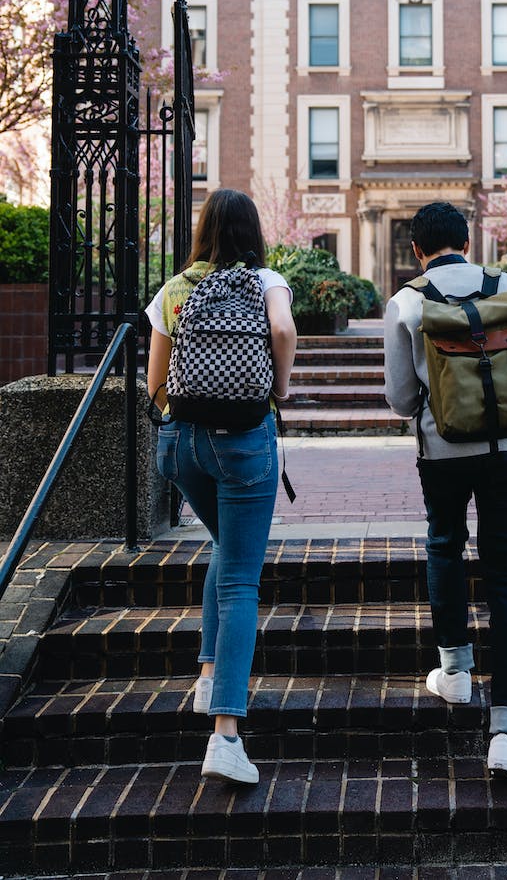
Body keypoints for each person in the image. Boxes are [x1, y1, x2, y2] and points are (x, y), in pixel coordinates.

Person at [383, 201, 507, 782]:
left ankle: (454, 672)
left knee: (445, 545)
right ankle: (506, 733)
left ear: (416, 248)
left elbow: (401, 399)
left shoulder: (407, 301)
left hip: (443, 451)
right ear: (468, 240)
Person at [146, 188, 297, 784]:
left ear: (203, 230)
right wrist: (277, 390)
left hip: (181, 444)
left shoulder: (175, 290)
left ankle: (208, 672)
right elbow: (282, 331)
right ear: (253, 232)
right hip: (244, 440)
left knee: (223, 547)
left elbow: (155, 380)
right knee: (240, 578)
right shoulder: (266, 281)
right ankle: (225, 737)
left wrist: (184, 414)